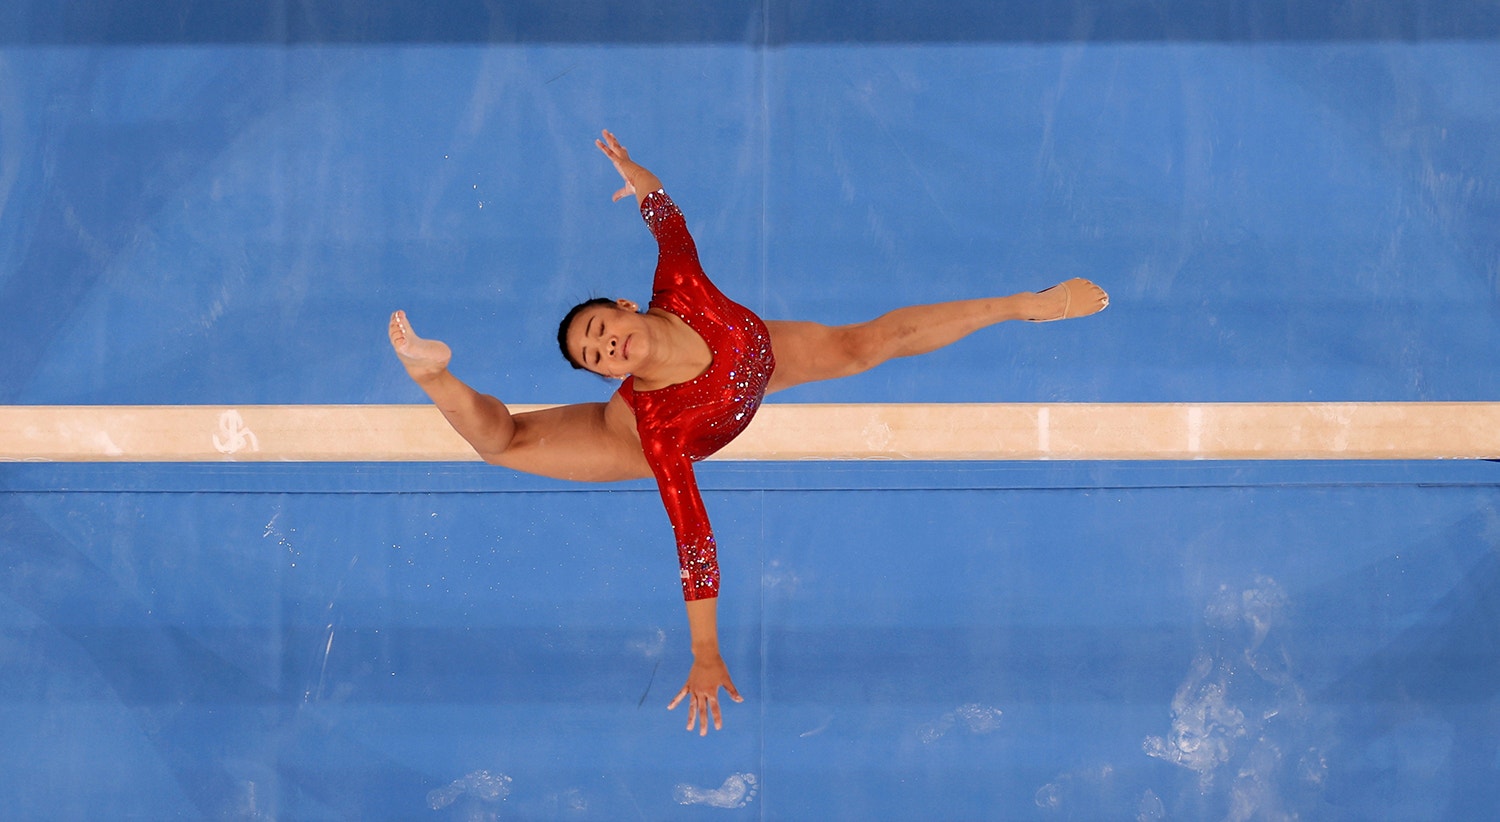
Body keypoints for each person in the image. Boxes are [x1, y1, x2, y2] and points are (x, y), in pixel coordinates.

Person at [389, 130, 1108, 735]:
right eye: (594, 356)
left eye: (601, 329)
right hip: (628, 437)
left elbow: (664, 217)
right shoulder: (658, 431)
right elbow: (693, 540)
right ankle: (435, 377)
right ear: (605, 375)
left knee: (867, 343)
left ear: (624, 305)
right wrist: (705, 651)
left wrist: (640, 177)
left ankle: (1021, 303)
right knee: (501, 442)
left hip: (759, 360)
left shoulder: (682, 284)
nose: (606, 347)